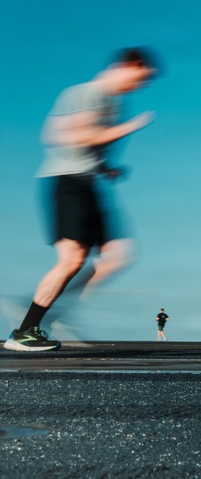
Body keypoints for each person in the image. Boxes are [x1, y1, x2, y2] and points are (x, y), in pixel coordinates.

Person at [4, 48, 158, 352]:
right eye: (143, 77)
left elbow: (87, 143)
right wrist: (130, 126)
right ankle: (25, 330)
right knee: (72, 259)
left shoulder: (112, 103)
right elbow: (66, 137)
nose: (143, 85)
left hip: (87, 183)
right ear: (129, 66)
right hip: (67, 182)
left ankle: (55, 312)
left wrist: (105, 167)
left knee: (118, 256)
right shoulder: (87, 94)